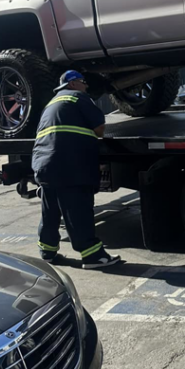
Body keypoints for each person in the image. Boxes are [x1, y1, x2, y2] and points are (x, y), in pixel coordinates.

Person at [32, 69, 121, 269]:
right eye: (83, 82)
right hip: (69, 164)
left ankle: (47, 251)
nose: (86, 86)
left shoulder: (51, 103)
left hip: (44, 164)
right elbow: (99, 128)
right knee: (78, 210)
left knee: (50, 211)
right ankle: (93, 256)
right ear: (72, 84)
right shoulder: (78, 97)